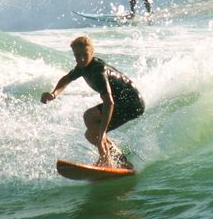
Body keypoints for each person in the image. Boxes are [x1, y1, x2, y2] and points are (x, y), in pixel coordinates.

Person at [40, 36, 145, 169]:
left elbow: (109, 103)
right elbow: (67, 78)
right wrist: (53, 94)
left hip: (132, 103)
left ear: (92, 53)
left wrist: (102, 136)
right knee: (90, 135)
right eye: (77, 55)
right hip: (124, 103)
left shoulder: (98, 71)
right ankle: (121, 161)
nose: (81, 59)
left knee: (89, 117)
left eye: (85, 55)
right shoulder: (82, 67)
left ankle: (105, 159)